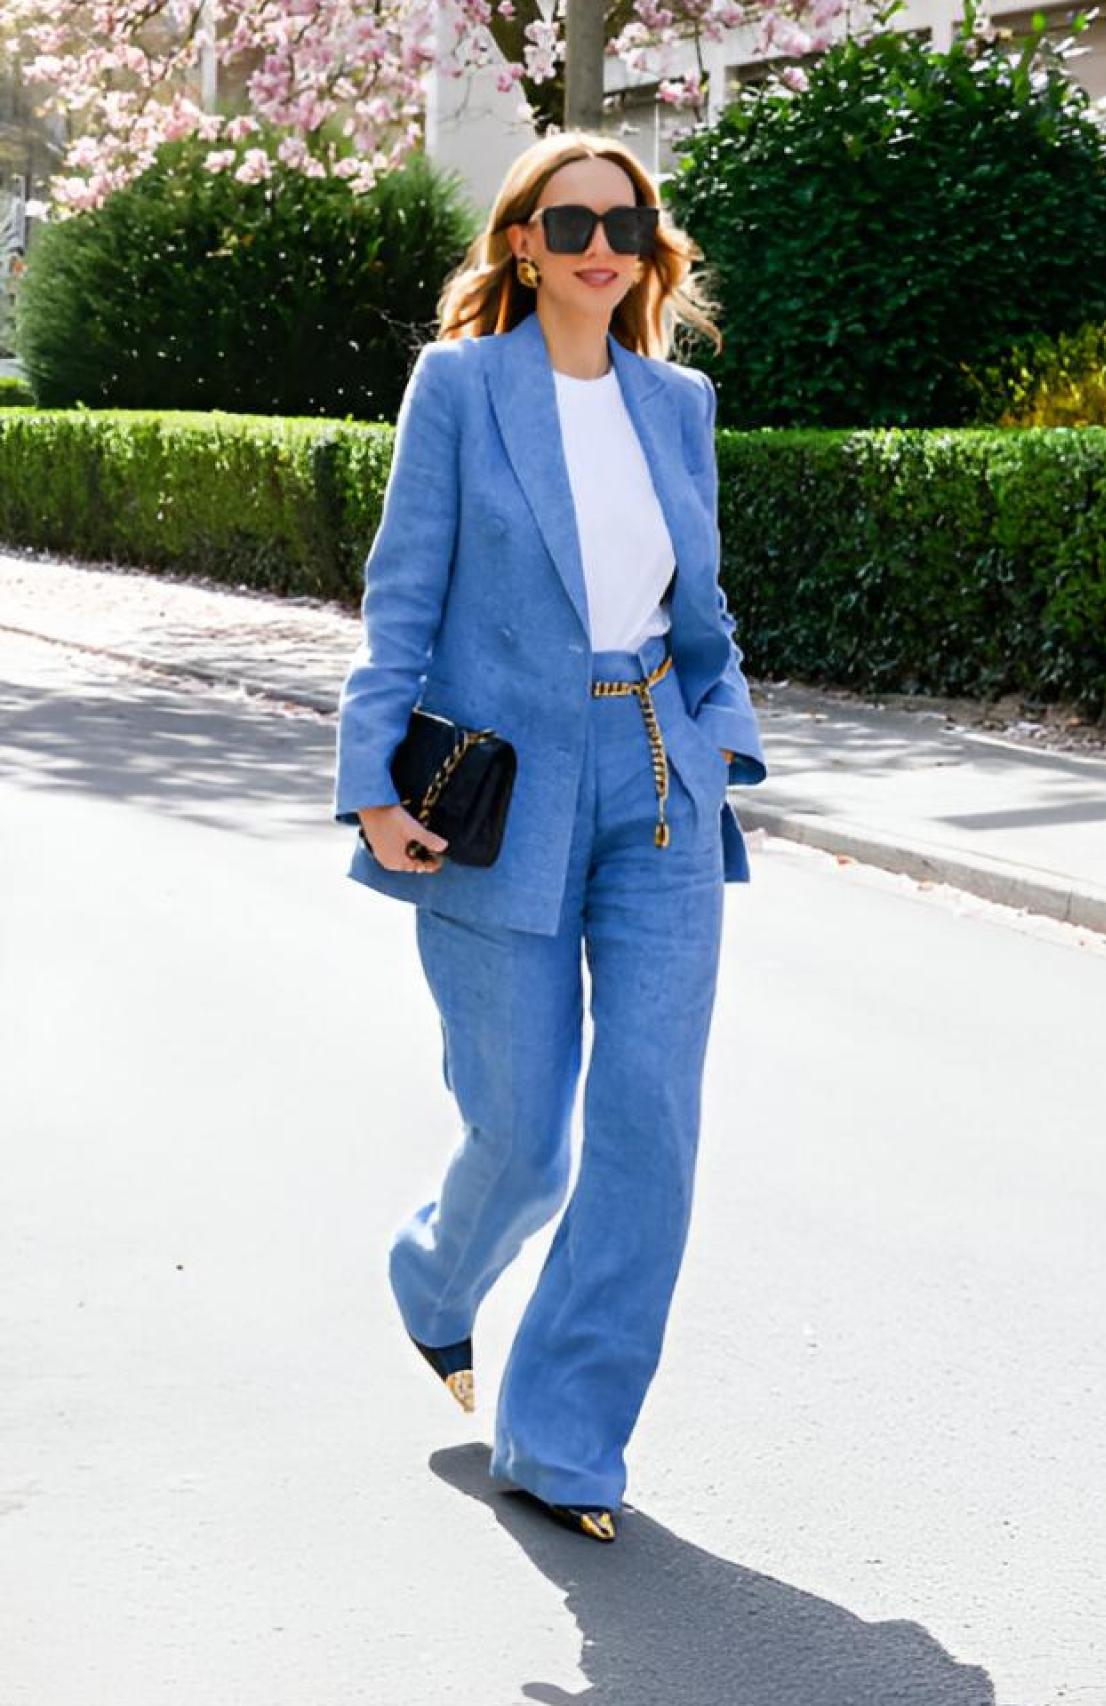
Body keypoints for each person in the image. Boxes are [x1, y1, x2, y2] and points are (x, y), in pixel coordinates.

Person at [331, 130, 768, 1545]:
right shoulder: (460, 388)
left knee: (649, 1119)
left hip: (655, 782)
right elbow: (403, 597)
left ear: (648, 250)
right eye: (571, 219)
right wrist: (372, 781)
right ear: (524, 239)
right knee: (523, 1134)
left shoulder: (678, 402)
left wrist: (722, 741)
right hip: (499, 797)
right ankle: (435, 1275)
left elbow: (700, 610)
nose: (600, 244)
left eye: (625, 224)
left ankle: (565, 1434)